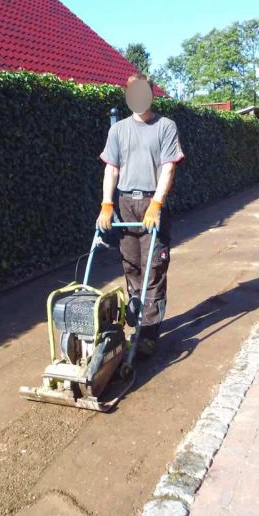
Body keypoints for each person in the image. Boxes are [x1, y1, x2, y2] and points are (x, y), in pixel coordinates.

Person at [96, 73, 185, 356]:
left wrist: (157, 204)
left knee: (153, 269)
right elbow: (111, 169)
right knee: (131, 266)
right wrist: (106, 204)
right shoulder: (118, 130)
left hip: (151, 202)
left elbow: (168, 168)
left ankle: (148, 335)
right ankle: (135, 321)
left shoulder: (165, 127)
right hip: (124, 203)